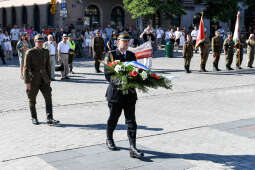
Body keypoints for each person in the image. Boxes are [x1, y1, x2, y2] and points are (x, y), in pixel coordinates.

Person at [104, 32, 144, 159]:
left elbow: (136, 71)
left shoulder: (132, 55)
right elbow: (107, 75)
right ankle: (109, 139)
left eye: (128, 41)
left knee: (131, 121)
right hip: (116, 94)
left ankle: (133, 147)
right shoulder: (111, 55)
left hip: (130, 94)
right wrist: (121, 82)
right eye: (124, 41)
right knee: (113, 119)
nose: (126, 43)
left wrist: (140, 77)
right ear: (117, 42)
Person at [23, 34, 60, 125]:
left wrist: (49, 78)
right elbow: (26, 68)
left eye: (41, 42)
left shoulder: (45, 51)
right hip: (33, 79)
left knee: (48, 98)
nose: (40, 43)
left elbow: (48, 66)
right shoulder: (30, 52)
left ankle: (50, 118)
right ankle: (34, 117)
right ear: (34, 42)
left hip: (44, 79)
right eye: (38, 41)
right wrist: (27, 82)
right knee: (32, 99)